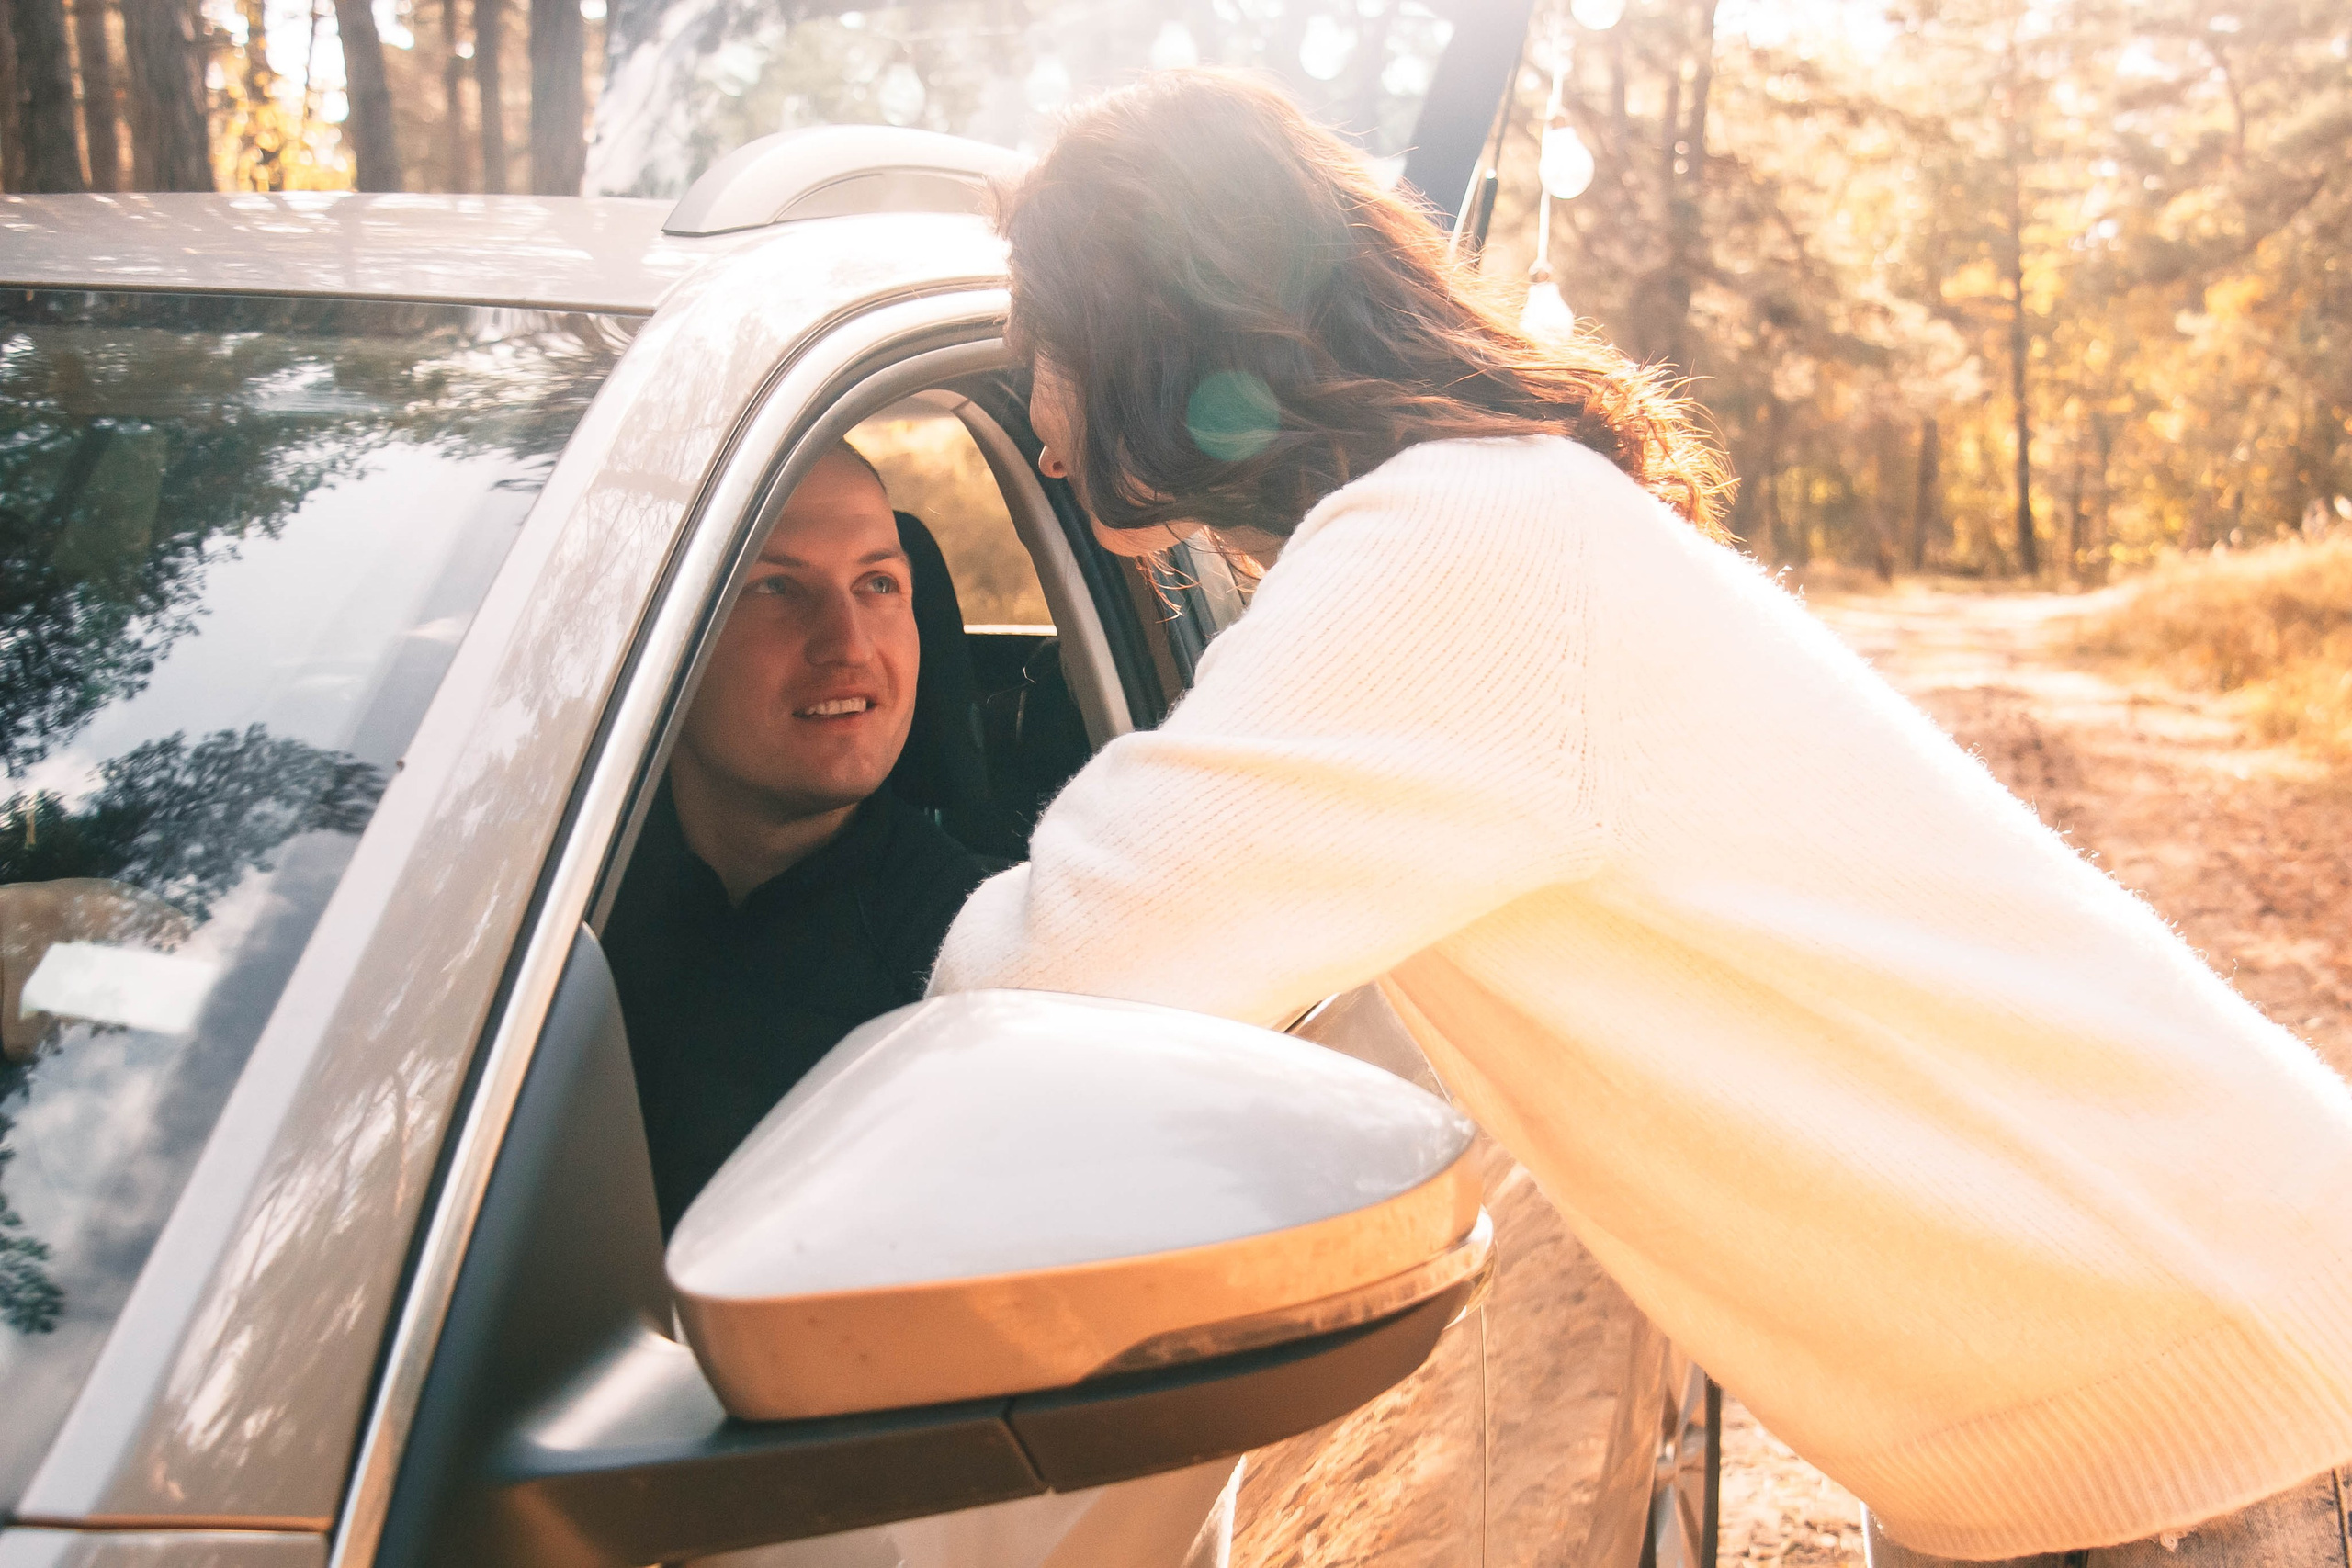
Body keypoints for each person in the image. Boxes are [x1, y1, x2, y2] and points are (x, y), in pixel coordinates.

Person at [925, 71, 2352, 1566]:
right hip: (2121, 1403)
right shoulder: (1475, 519)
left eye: (1051, 348)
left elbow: (1037, 989)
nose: (1037, 416)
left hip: (2188, 1400)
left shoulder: (1444, 561)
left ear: (1155, 331)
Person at [606, 444, 989, 1233]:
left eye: (878, 584)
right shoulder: (541, 897)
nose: (847, 644)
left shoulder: (971, 967)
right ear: (660, 634)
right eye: (775, 586)